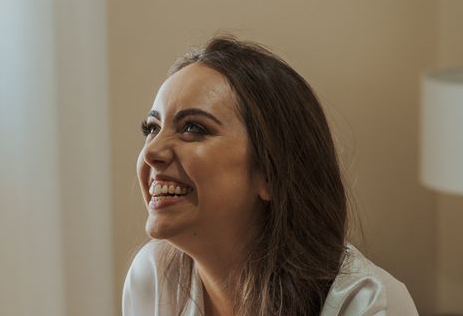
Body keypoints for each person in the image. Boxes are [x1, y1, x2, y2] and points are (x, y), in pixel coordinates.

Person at [122, 37, 419, 316]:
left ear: (271, 173)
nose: (151, 152)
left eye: (193, 128)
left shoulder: (370, 302)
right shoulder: (152, 279)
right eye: (151, 128)